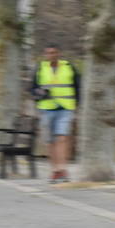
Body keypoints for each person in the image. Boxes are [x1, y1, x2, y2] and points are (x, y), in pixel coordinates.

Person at [32, 45, 81, 182]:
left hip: (65, 108)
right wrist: (38, 93)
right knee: (50, 141)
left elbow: (78, 87)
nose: (51, 55)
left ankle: (63, 169)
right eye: (48, 53)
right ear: (45, 54)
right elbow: (32, 88)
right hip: (46, 109)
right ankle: (54, 170)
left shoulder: (69, 67)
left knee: (62, 138)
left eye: (53, 52)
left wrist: (77, 105)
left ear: (59, 53)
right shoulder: (40, 68)